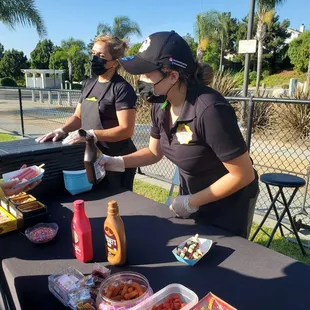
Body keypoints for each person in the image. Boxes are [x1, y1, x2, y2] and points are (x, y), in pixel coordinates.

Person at [99, 31, 259, 238]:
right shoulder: (161, 104)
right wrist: (115, 162)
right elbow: (154, 152)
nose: (140, 80)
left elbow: (243, 174)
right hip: (192, 196)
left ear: (173, 76)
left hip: (228, 203)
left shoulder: (209, 109)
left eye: (146, 73)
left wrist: (191, 202)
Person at [36, 35, 137, 191]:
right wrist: (62, 130)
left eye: (101, 56)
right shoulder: (89, 84)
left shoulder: (121, 89)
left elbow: (126, 130)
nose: (94, 59)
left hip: (116, 158)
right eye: (93, 53)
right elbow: (78, 116)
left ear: (114, 63)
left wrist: (92, 134)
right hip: (92, 156)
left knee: (117, 203)